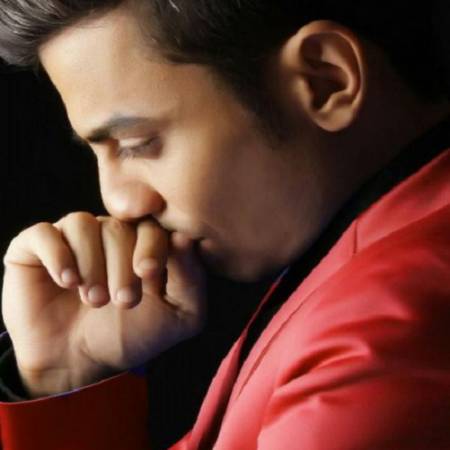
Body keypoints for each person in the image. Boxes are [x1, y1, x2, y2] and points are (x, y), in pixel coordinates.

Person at [0, 1, 449, 448]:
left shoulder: (383, 338)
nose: (119, 203)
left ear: (325, 80)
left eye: (137, 143)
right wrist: (64, 375)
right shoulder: (363, 269)